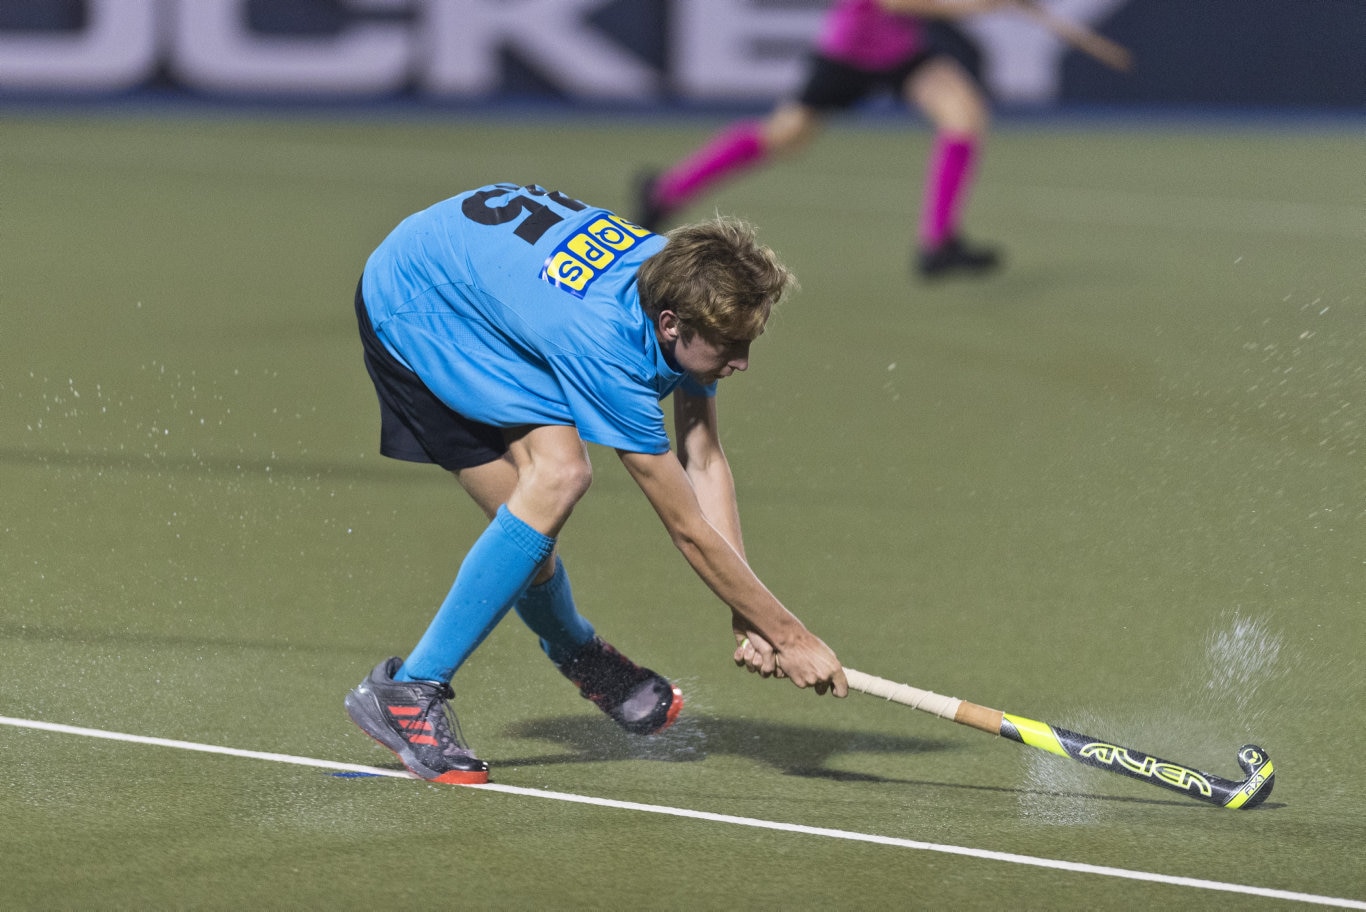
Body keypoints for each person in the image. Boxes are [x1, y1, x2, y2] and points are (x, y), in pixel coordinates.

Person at [346, 181, 848, 784]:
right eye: (731, 346)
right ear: (670, 325)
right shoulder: (609, 345)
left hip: (483, 281)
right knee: (557, 477)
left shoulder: (687, 283)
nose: (741, 362)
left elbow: (703, 456)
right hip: (419, 303)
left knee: (524, 520)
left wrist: (750, 615)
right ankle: (410, 692)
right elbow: (688, 528)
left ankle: (575, 650)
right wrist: (789, 634)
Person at [637, 0, 1007, 280]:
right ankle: (665, 191)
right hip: (850, 51)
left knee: (964, 115)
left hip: (900, 51)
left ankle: (938, 245)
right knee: (786, 135)